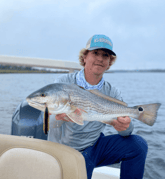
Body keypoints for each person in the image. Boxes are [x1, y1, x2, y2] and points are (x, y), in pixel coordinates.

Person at [48, 34, 148, 179]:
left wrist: (126, 126)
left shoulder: (112, 92)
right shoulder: (64, 83)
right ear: (84, 57)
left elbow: (126, 133)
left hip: (95, 145)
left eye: (105, 55)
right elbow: (49, 123)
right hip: (68, 149)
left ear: (109, 63)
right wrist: (59, 118)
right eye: (95, 53)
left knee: (138, 145)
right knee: (84, 161)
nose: (100, 59)